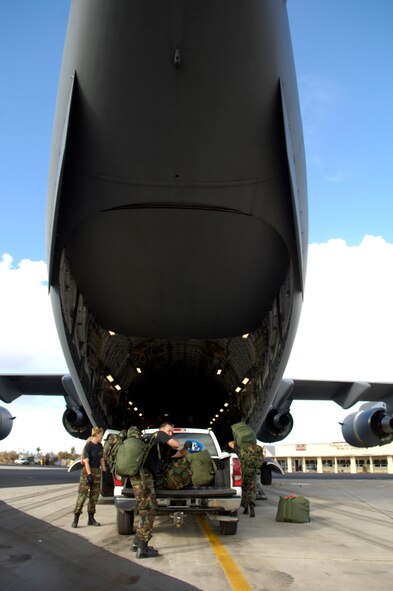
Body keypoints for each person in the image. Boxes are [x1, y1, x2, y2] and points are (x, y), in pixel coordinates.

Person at [130, 422, 181, 559]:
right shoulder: (159, 435)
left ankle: (136, 542)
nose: (170, 434)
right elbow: (176, 445)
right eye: (169, 431)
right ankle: (143, 548)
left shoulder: (158, 445)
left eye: (172, 432)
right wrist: (179, 442)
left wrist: (185, 451)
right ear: (162, 430)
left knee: (144, 510)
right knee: (149, 510)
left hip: (142, 477)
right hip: (143, 477)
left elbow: (173, 454)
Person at [71, 427, 105, 528]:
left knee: (94, 497)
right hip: (87, 472)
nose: (102, 436)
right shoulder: (88, 446)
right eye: (101, 434)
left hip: (97, 472)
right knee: (82, 496)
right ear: (97, 434)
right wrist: (89, 475)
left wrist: (104, 471)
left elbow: (102, 459)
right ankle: (76, 518)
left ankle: (91, 519)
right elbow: (86, 461)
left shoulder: (100, 446)